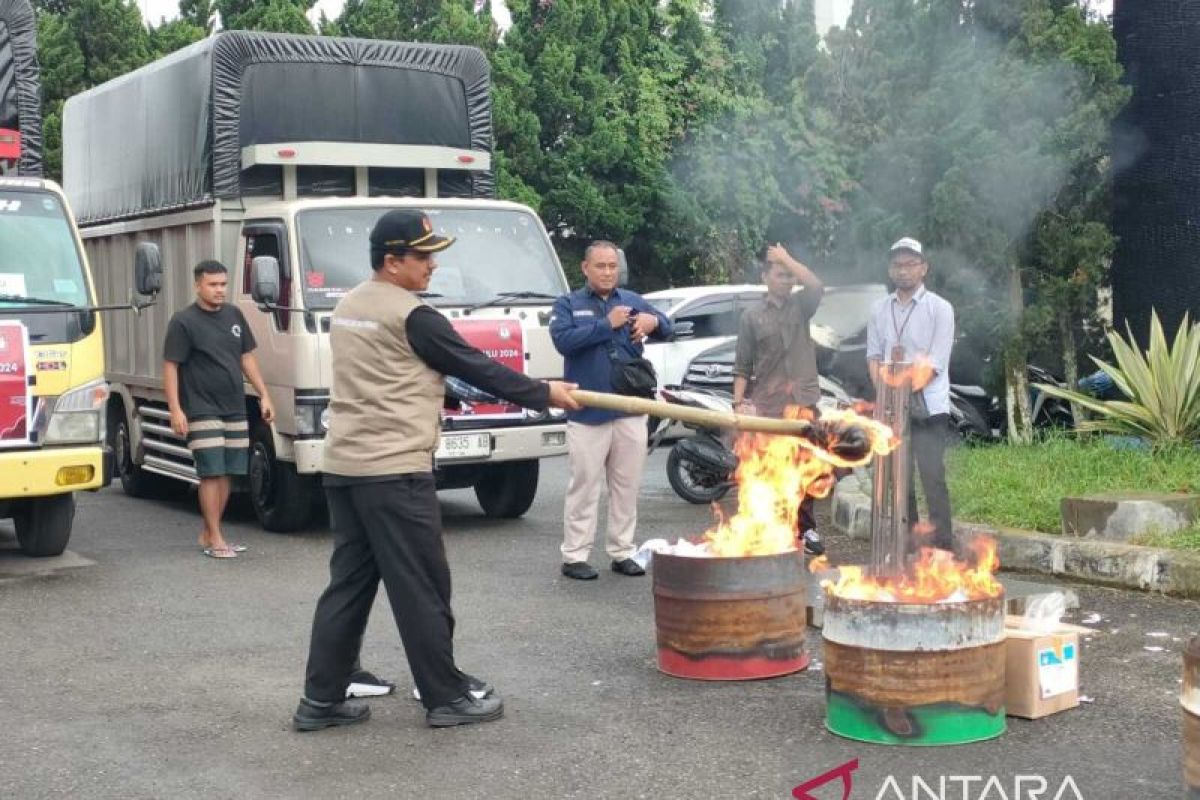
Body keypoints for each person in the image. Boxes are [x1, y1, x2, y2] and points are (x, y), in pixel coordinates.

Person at [293, 209, 579, 732]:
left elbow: (391, 371)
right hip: (395, 469)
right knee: (422, 584)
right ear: (391, 261)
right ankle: (446, 696)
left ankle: (321, 699)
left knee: (349, 586)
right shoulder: (414, 315)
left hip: (347, 466)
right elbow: (475, 364)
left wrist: (439, 390)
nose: (431, 266)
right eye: (422, 256)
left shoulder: (351, 304)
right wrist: (545, 393)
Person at [549, 241, 672, 581]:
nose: (606, 272)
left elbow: (668, 327)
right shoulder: (568, 304)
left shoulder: (632, 301)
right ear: (585, 268)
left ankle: (622, 551)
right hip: (588, 412)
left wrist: (652, 322)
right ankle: (574, 556)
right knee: (584, 486)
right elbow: (563, 341)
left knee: (626, 485)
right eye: (600, 266)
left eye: (612, 266)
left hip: (630, 410)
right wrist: (607, 324)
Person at [163, 260, 274, 559]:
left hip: (234, 407)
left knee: (228, 473)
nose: (219, 290)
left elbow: (246, 358)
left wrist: (264, 395)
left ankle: (209, 531)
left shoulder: (234, 315)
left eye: (223, 284)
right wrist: (176, 409)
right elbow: (171, 366)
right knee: (211, 473)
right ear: (198, 285)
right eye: (213, 285)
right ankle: (216, 538)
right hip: (201, 408)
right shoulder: (183, 321)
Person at [731, 243, 827, 557]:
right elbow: (742, 365)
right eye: (780, 274)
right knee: (768, 469)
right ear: (765, 278)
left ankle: (807, 528)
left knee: (805, 467)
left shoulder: (801, 306)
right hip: (769, 405)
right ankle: (772, 530)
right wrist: (738, 404)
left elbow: (816, 285)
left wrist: (787, 257)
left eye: (789, 276)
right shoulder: (751, 317)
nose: (786, 280)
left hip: (803, 400)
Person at [865, 237, 956, 552]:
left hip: (928, 407)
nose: (903, 271)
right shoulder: (879, 309)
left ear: (923, 268)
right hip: (891, 408)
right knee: (899, 480)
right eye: (897, 265)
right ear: (890, 270)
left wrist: (900, 390)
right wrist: (885, 393)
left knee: (932, 475)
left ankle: (943, 545)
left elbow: (935, 364)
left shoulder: (940, 309)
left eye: (910, 264)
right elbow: (874, 356)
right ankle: (910, 544)